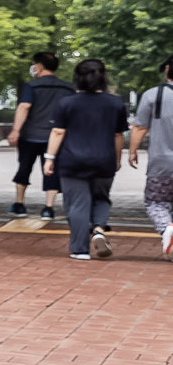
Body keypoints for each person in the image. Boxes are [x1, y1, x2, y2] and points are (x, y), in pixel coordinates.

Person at [46, 57, 130, 261]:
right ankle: (99, 230)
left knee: (77, 204)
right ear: (103, 77)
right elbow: (118, 136)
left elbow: (58, 132)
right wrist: (117, 159)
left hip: (72, 160)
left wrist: (49, 158)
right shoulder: (115, 104)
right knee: (101, 198)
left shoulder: (67, 103)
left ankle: (80, 249)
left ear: (77, 78)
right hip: (104, 159)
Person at [6, 52, 71, 220]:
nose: (32, 67)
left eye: (34, 64)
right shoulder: (67, 88)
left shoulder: (32, 86)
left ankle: (20, 205)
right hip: (55, 138)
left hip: (30, 135)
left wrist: (16, 130)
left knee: (24, 167)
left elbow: (24, 106)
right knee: (51, 170)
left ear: (40, 66)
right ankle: (48, 208)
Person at [132, 58, 173, 258]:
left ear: (167, 70)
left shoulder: (153, 94)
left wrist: (132, 151)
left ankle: (167, 229)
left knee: (155, 202)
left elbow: (139, 127)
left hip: (161, 163)